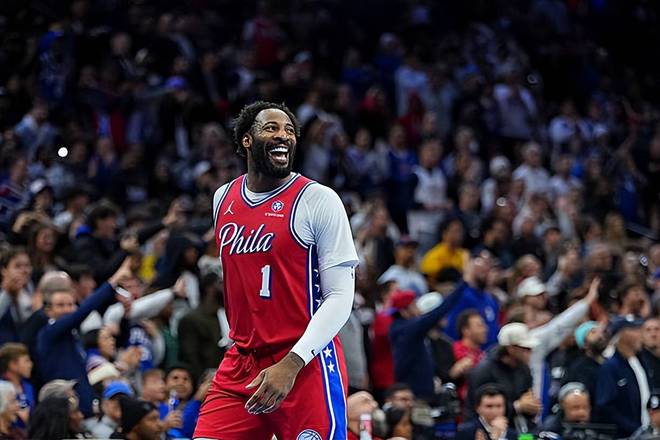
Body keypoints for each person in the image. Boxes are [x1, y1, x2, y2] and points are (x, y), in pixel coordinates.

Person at [194, 101, 359, 439]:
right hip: (243, 361)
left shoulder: (318, 199)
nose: (283, 135)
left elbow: (341, 296)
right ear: (247, 140)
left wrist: (293, 362)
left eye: (289, 131)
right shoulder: (223, 198)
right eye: (271, 128)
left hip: (304, 359)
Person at [35, 258, 133, 417]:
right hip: (63, 411)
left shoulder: (73, 334)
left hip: (83, 407)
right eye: (60, 305)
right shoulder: (48, 333)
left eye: (70, 304)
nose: (67, 310)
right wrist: (112, 282)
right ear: (48, 311)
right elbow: (81, 313)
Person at [389, 287, 462, 401]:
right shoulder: (407, 329)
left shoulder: (411, 331)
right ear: (404, 311)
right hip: (414, 396)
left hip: (424, 393)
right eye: (414, 305)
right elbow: (438, 313)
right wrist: (462, 285)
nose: (418, 309)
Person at [466, 323, 541, 433]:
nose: (530, 352)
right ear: (511, 348)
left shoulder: (524, 369)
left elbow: (528, 400)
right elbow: (479, 409)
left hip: (519, 429)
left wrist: (532, 407)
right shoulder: (484, 371)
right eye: (525, 348)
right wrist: (517, 406)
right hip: (486, 431)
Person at [595, 314, 650, 438]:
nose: (640, 334)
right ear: (622, 334)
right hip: (625, 436)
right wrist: (634, 429)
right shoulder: (610, 367)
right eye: (635, 330)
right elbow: (605, 406)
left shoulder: (639, 361)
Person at [562, 321, 608, 405]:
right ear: (584, 344)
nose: (600, 336)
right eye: (593, 332)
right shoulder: (578, 369)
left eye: (601, 332)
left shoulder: (611, 363)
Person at [451, 309, 487, 402]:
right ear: (466, 330)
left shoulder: (483, 355)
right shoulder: (454, 350)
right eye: (479, 326)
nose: (485, 329)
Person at [0, 343, 34, 427]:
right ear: (12, 365)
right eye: (26, 361)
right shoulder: (2, 388)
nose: (30, 365)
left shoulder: (28, 387)